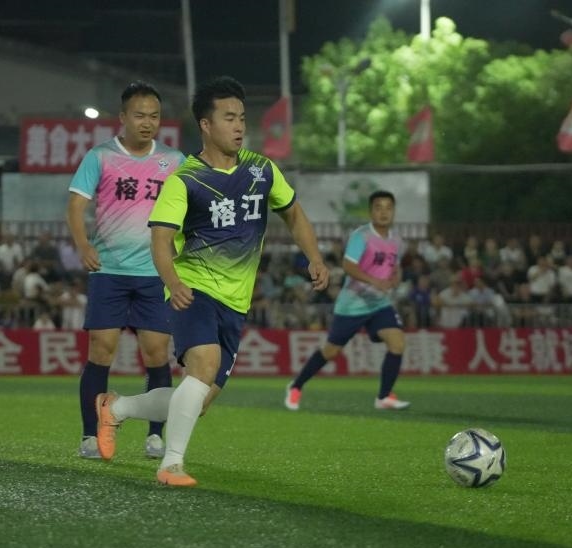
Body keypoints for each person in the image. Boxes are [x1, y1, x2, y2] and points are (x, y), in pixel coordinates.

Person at [94, 75, 329, 487]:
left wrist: (314, 256)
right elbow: (160, 240)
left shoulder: (262, 170)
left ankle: (117, 408)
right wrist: (173, 282)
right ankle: (171, 465)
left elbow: (293, 213)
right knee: (203, 365)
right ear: (206, 124)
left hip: (236, 302)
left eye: (242, 118)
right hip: (193, 290)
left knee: (198, 400)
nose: (239, 126)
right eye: (229, 118)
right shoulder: (185, 181)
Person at [67, 80, 186, 460]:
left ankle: (154, 436)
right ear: (122, 117)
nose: (147, 122)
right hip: (110, 271)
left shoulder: (174, 161)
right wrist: (84, 245)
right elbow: (75, 205)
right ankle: (90, 435)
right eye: (139, 115)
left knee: (157, 354)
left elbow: (191, 207)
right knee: (101, 351)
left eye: (154, 116)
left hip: (155, 273)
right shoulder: (100, 157)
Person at [284, 190, 410, 412]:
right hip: (352, 305)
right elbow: (348, 266)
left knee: (397, 343)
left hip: (379, 304)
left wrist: (396, 278)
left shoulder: (397, 240)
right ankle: (296, 386)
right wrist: (375, 281)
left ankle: (384, 397)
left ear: (394, 211)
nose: (383, 212)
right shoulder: (361, 236)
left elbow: (395, 266)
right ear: (371, 211)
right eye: (378, 207)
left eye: (388, 208)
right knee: (331, 351)